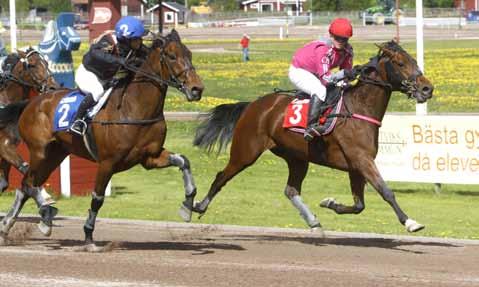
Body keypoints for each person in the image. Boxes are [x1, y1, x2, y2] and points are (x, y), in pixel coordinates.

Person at [70, 16, 148, 135]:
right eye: (136, 39)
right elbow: (95, 53)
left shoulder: (133, 45)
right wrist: (119, 60)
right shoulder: (108, 41)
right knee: (98, 91)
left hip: (107, 77)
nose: (140, 42)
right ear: (126, 40)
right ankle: (77, 121)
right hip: (88, 74)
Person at [288, 18, 355, 141]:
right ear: (331, 35)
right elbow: (325, 79)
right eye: (337, 37)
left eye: (344, 39)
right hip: (299, 71)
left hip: (315, 73)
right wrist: (344, 74)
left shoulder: (348, 51)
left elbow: (345, 75)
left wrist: (348, 78)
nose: (340, 41)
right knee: (320, 90)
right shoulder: (324, 49)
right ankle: (311, 126)